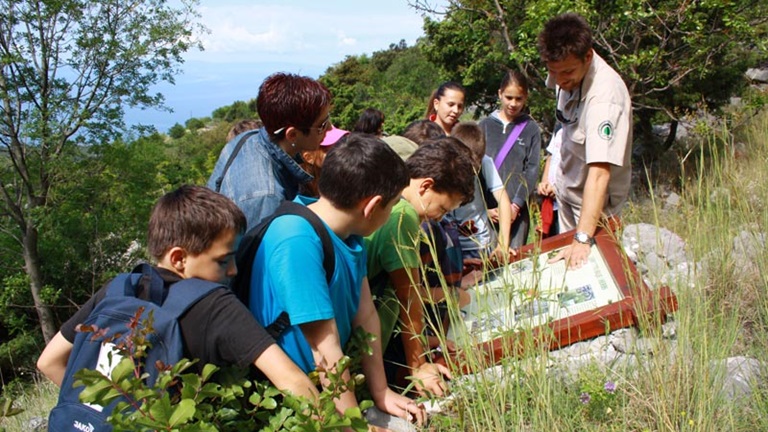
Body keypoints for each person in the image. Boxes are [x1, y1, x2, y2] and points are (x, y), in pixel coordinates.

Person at [36, 185, 318, 401]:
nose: (233, 270)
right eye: (222, 260)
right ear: (179, 258)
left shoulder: (118, 289)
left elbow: (48, 362)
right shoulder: (214, 304)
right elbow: (292, 381)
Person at [247, 134, 427, 424]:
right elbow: (324, 347)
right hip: (298, 404)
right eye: (393, 205)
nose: (394, 212)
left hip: (332, 388)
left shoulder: (350, 233)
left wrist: (381, 391)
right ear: (371, 207)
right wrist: (355, 425)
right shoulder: (297, 239)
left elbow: (365, 314)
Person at [365, 137, 475, 394]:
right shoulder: (403, 216)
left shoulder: (388, 202)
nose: (440, 217)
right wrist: (419, 366)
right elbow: (408, 296)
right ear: (426, 186)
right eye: (443, 208)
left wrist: (428, 339)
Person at [538, 13, 632, 269]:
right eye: (553, 72)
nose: (559, 80)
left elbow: (600, 173)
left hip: (593, 210)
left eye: (567, 72)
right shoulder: (561, 70)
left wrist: (582, 238)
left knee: (589, 275)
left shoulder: (604, 98)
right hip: (566, 194)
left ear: (587, 57)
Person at [207, 72, 332, 229]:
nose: (329, 128)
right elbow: (255, 252)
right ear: (292, 135)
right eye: (322, 125)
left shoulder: (247, 138)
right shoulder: (266, 197)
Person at [480, 70, 541, 248]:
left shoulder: (531, 129)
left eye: (519, 99)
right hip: (489, 210)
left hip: (518, 210)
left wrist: (516, 206)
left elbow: (531, 170)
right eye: (508, 97)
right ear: (500, 94)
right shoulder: (484, 126)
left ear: (526, 98)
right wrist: (484, 208)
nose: (513, 104)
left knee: (514, 262)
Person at [447, 122, 514, 263]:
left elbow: (503, 200)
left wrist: (503, 244)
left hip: (482, 244)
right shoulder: (444, 165)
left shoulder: (485, 163)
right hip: (450, 247)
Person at [299, 126, 349, 197]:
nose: (340, 153)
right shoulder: (297, 190)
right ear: (309, 157)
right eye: (330, 150)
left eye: (341, 145)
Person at [536, 127, 563, 238]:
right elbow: (551, 157)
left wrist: (559, 189)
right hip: (550, 203)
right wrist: (544, 182)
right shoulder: (559, 128)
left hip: (565, 203)